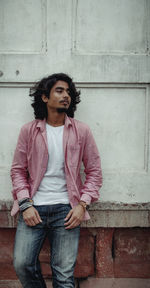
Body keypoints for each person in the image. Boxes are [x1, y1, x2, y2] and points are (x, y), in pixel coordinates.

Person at [11, 73, 102, 288]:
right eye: (59, 91)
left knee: (63, 276)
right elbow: (17, 171)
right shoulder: (29, 130)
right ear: (45, 97)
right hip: (34, 208)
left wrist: (82, 205)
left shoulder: (81, 131)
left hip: (67, 210)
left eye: (68, 92)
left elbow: (94, 172)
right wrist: (25, 204)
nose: (66, 96)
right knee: (22, 264)